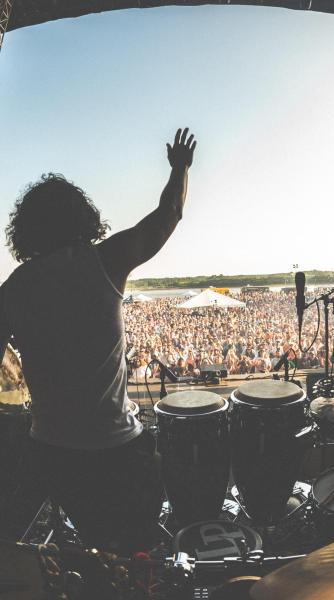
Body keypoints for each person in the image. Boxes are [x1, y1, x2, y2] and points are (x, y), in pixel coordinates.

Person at [0, 128, 196, 552]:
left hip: (50, 450)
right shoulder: (105, 260)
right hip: (116, 449)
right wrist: (180, 166)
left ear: (27, 230)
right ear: (82, 218)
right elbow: (169, 214)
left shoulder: (14, 287)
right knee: (133, 553)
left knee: (84, 548)